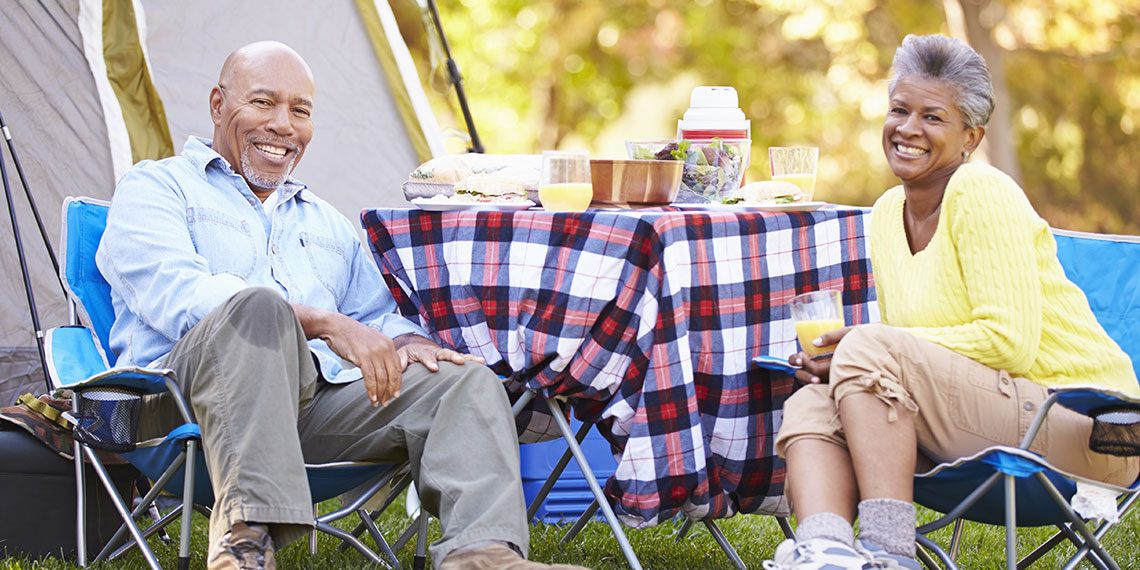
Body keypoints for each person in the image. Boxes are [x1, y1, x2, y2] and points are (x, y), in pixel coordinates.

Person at [97, 41, 588, 570]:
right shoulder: (156, 186)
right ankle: (244, 545)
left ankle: (483, 553)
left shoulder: (325, 222)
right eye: (263, 103)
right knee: (257, 308)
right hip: (181, 401)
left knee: (461, 379)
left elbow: (375, 315)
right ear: (218, 105)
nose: (284, 125)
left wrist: (410, 343)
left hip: (306, 410)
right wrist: (321, 321)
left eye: (300, 110)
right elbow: (178, 297)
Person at [763, 34, 1139, 569]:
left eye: (933, 117)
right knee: (812, 398)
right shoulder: (886, 213)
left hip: (1089, 428)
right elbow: (902, 368)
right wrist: (845, 364)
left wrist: (869, 346)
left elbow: (1007, 342)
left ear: (971, 136)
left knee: (869, 347)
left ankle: (890, 552)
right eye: (899, 110)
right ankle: (826, 551)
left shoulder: (981, 190)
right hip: (990, 418)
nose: (909, 129)